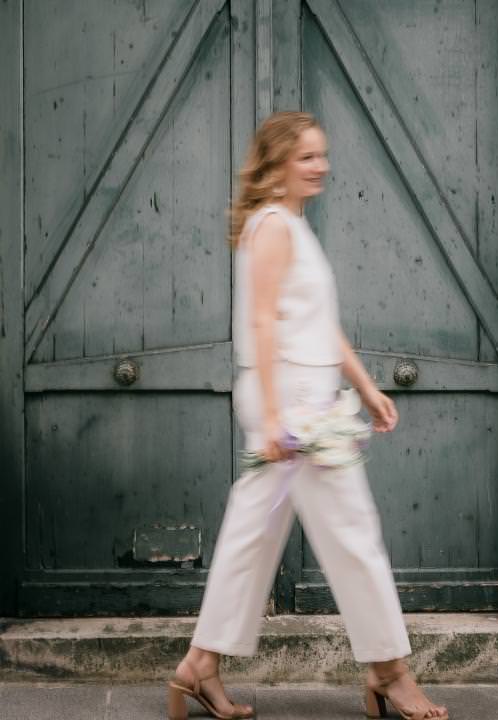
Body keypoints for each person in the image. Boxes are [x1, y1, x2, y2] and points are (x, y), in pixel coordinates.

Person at [167, 112, 449, 720]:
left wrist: (366, 387)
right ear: (276, 164)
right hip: (295, 402)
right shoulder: (274, 227)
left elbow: (318, 325)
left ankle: (200, 665)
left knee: (252, 535)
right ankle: (389, 671)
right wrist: (275, 416)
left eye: (322, 155)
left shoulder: (291, 224)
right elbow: (262, 322)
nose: (321, 166)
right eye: (307, 157)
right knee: (353, 532)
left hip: (304, 394)